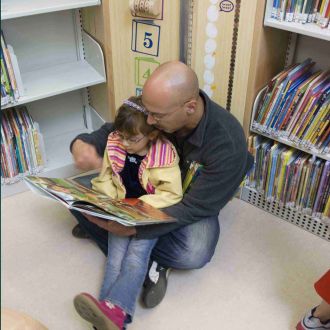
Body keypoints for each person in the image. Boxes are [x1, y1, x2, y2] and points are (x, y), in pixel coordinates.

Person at [70, 61, 254, 311]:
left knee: (195, 252)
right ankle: (136, 252)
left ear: (190, 107)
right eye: (147, 110)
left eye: (156, 116)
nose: (149, 119)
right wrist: (84, 143)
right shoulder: (156, 108)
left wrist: (136, 228)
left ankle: (143, 256)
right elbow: (118, 128)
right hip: (138, 187)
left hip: (183, 203)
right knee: (75, 194)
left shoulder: (228, 144)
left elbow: (194, 208)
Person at [73, 96, 182, 330]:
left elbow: (172, 194)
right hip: (119, 212)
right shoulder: (115, 143)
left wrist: (138, 204)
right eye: (121, 136)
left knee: (134, 259)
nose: (124, 143)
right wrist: (108, 203)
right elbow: (105, 179)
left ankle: (115, 311)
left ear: (151, 135)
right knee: (114, 261)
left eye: (132, 139)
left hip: (148, 216)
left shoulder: (164, 155)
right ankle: (107, 317)